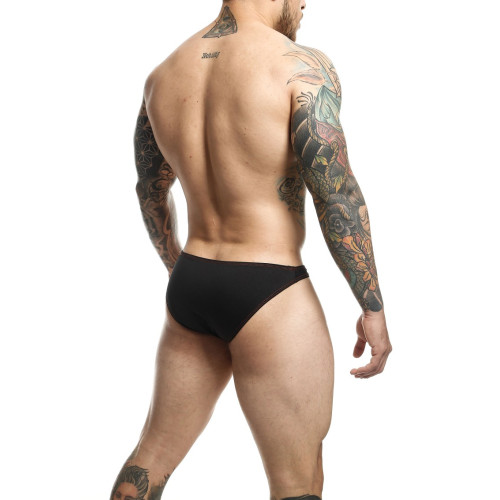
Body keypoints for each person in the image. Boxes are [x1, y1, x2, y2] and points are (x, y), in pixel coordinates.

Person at [110, 1, 392, 499]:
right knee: (297, 483)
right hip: (270, 290)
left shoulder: (163, 75)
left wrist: (178, 267)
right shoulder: (300, 67)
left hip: (192, 283)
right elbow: (336, 194)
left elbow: (150, 190)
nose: (304, 4)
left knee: (151, 455)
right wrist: (371, 304)